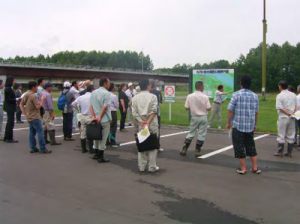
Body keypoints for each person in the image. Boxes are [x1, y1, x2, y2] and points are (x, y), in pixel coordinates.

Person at [227, 75, 261, 175]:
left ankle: (243, 168)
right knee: (251, 147)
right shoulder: (255, 96)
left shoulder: (236, 95)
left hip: (238, 126)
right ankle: (255, 168)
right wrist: (255, 124)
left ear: (241, 83)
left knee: (239, 147)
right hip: (250, 126)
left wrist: (228, 123)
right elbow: (256, 112)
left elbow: (230, 110)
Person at [132, 79, 160, 173]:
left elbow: (134, 113)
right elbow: (154, 110)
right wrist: (148, 122)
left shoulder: (135, 97)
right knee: (152, 145)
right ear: (148, 85)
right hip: (152, 123)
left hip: (141, 124)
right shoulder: (153, 96)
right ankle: (152, 167)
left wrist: (142, 122)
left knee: (142, 144)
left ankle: (141, 166)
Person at [180, 81, 211, 157]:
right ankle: (197, 150)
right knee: (201, 134)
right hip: (203, 117)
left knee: (191, 133)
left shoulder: (190, 96)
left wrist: (193, 107)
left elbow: (186, 107)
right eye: (203, 86)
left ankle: (184, 148)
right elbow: (209, 108)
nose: (203, 87)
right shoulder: (205, 97)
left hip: (194, 117)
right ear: (200, 87)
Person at [20, 81, 51, 154]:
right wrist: (42, 100)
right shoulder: (33, 96)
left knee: (32, 133)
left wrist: (24, 113)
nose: (37, 88)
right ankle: (42, 148)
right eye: (36, 87)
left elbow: (21, 104)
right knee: (40, 132)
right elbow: (38, 107)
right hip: (35, 117)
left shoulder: (26, 94)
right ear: (33, 87)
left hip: (29, 116)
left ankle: (33, 147)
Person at [90, 77, 111, 163]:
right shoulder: (106, 93)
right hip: (104, 119)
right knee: (103, 138)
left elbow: (90, 106)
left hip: (95, 118)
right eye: (109, 82)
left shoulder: (94, 92)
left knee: (96, 137)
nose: (109, 84)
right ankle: (101, 157)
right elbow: (105, 107)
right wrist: (100, 117)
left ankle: (96, 154)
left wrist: (94, 116)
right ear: (105, 83)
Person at [274, 80, 297, 157]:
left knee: (281, 134)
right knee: (291, 134)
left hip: (283, 117)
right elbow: (296, 106)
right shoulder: (293, 95)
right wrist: (292, 113)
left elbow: (280, 108)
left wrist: (288, 113)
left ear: (280, 86)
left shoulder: (279, 95)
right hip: (292, 117)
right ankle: (289, 152)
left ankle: (280, 152)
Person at [72, 84, 94, 153]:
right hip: (90, 116)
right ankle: (91, 149)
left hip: (82, 116)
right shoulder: (93, 97)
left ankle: (83, 149)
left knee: (83, 133)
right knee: (91, 133)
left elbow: (73, 104)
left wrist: (78, 110)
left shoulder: (81, 97)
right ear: (92, 90)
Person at [150, 79, 164, 152]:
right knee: (156, 130)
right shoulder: (158, 92)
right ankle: (157, 146)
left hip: (146, 114)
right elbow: (161, 101)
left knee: (146, 129)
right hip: (156, 113)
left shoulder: (147, 92)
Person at [3, 76, 18, 143]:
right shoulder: (9, 89)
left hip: (8, 107)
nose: (14, 82)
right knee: (10, 123)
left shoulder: (7, 88)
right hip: (10, 107)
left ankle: (6, 137)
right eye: (13, 80)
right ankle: (9, 138)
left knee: (9, 122)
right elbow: (9, 99)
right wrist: (16, 99)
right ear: (11, 81)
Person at [108, 83, 120, 147]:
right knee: (113, 127)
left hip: (106, 112)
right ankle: (112, 142)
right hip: (112, 112)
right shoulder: (114, 96)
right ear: (112, 88)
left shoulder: (105, 95)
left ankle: (107, 141)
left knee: (107, 127)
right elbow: (116, 105)